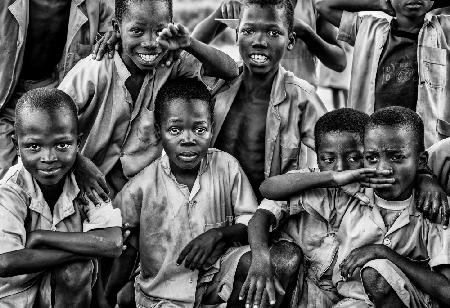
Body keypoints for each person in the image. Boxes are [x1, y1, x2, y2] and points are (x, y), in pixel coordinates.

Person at [244, 108, 450, 308]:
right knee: (283, 259)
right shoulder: (351, 191)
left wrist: (383, 253)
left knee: (376, 271)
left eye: (396, 157)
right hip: (340, 297)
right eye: (372, 158)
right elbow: (268, 190)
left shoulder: (431, 207)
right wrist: (333, 178)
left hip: (398, 298)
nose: (383, 169)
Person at [58, 0, 239, 196]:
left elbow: (230, 70)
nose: (151, 43)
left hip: (136, 192)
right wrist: (78, 161)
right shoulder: (94, 71)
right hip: (79, 186)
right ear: (117, 28)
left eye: (159, 31)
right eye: (137, 31)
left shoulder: (171, 63)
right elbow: (50, 122)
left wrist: (189, 43)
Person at [108, 77, 258, 307]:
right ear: (159, 132)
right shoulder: (142, 185)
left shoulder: (226, 165)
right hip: (165, 293)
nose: (188, 140)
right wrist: (110, 295)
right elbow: (122, 242)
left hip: (214, 282)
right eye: (175, 130)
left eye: (199, 129)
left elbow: (251, 220)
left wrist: (219, 234)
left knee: (252, 261)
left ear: (211, 129)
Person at [193, 0, 327, 201]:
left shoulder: (301, 98)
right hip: (213, 209)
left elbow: (337, 151)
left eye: (273, 33)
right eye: (248, 31)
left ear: (290, 41)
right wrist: (220, 11)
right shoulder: (216, 83)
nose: (259, 41)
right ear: (236, 34)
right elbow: (188, 51)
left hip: (268, 217)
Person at [0, 88, 123, 307]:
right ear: (16, 144)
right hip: (15, 294)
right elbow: (6, 261)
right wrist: (82, 251)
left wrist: (40, 237)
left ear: (78, 141)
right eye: (33, 146)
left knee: (76, 272)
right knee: (79, 263)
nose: (49, 157)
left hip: (64, 290)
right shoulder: (10, 189)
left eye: (62, 145)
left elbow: (112, 243)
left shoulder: (87, 180)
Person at [0, 0, 115, 178]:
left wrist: (114, 35)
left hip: (55, 93)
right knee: (5, 176)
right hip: (6, 96)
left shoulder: (93, 5)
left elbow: (122, 28)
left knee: (53, 174)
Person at [317, 0, 450, 148]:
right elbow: (323, 6)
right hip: (374, 142)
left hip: (426, 143)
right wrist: (380, 4)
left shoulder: (444, 30)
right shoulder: (367, 29)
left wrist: (431, 3)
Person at [193, 0, 346, 87]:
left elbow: (339, 62)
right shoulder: (245, 3)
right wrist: (221, 10)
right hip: (251, 101)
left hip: (298, 105)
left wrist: (306, 32)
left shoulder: (314, 5)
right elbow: (193, 44)